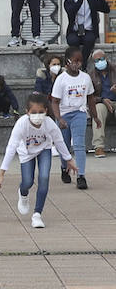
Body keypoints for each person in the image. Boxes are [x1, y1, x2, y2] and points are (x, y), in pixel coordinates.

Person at [0, 93, 77, 229]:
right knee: (28, 181)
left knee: (44, 177)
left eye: (41, 112)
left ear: (46, 111)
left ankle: (37, 214)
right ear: (27, 112)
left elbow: (59, 141)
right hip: (26, 153)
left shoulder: (49, 123)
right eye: (33, 112)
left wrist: (68, 159)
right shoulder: (21, 124)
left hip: (44, 149)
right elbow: (11, 147)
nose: (37, 116)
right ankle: (23, 193)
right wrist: (2, 173)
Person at [51, 44, 97, 189]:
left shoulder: (85, 78)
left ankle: (81, 176)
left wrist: (95, 117)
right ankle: (64, 168)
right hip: (64, 114)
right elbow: (55, 101)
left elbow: (90, 98)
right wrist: (59, 118)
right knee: (64, 146)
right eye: (75, 60)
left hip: (79, 113)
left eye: (80, 61)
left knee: (79, 144)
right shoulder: (61, 79)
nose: (78, 64)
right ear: (67, 62)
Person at [65, 0, 109, 66]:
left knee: (90, 40)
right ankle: (75, 62)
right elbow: (72, 11)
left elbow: (106, 9)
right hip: (74, 31)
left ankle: (82, 63)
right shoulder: (68, 1)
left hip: (88, 30)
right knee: (73, 41)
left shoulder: (91, 0)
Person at [92, 49, 113, 158]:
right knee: (98, 109)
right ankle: (99, 147)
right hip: (103, 103)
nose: (100, 62)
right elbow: (90, 97)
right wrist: (102, 99)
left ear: (106, 58)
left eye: (101, 59)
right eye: (97, 60)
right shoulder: (91, 75)